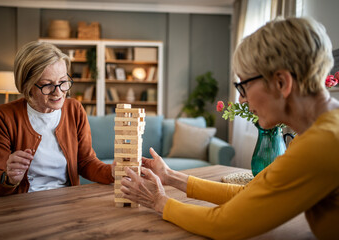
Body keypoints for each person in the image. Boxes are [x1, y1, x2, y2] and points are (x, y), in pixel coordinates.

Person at [120, 17, 339, 239]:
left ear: (281, 82)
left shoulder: (321, 144)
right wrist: (169, 176)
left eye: (243, 86)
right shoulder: (320, 133)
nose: (242, 100)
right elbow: (249, 194)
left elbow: (224, 224)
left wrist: (158, 201)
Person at [0, 41, 114, 198]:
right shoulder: (3, 116)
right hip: (20, 203)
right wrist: (8, 179)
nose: (58, 93)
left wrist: (112, 172)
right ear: (27, 86)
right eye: (47, 85)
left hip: (65, 202)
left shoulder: (74, 109)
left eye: (63, 82)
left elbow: (85, 162)